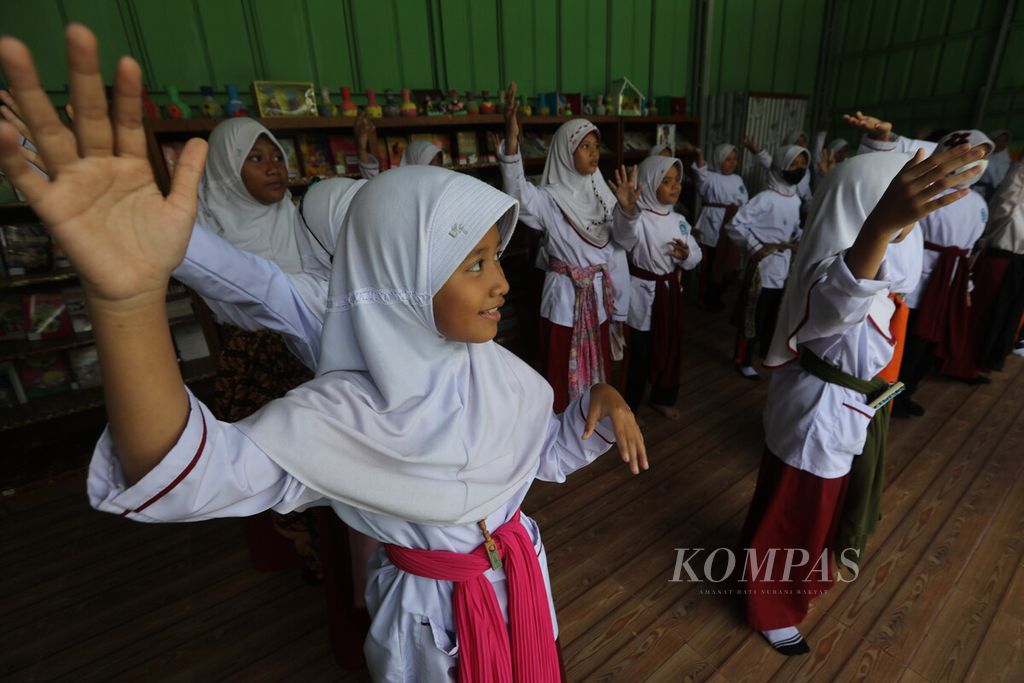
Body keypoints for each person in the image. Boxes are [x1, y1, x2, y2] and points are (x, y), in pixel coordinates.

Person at [0, 25, 648, 681]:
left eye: (494, 258)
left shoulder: (502, 376)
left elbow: (534, 458)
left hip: (524, 604)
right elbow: (184, 466)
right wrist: (128, 303)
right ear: (403, 278)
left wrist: (593, 406)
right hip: (435, 635)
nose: (503, 281)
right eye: (474, 263)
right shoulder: (340, 416)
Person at [739, 143, 986, 656]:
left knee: (809, 511)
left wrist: (890, 214)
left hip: (841, 411)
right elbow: (836, 302)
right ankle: (772, 605)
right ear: (862, 213)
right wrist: (878, 229)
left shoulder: (879, 268)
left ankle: (787, 578)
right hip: (818, 417)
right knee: (794, 515)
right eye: (897, 216)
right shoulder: (835, 272)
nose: (908, 230)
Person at [498, 82, 634, 411]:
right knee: (561, 368)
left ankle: (591, 418)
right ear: (565, 152)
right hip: (564, 302)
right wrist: (513, 141)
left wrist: (628, 211)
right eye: (584, 146)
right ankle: (561, 428)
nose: (593, 152)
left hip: (598, 300)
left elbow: (623, 242)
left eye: (595, 146)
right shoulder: (550, 200)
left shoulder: (604, 192)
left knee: (597, 366)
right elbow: (518, 193)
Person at [614, 156, 702, 419]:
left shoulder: (679, 220)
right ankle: (628, 407)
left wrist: (686, 255)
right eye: (666, 181)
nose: (676, 186)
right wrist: (628, 213)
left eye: (677, 180)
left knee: (670, 346)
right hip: (641, 294)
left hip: (669, 293)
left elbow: (696, 255)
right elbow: (622, 238)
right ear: (651, 184)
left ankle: (663, 396)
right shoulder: (638, 218)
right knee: (639, 355)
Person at [726, 145, 808, 380]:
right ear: (780, 166)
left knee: (773, 312)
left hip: (783, 266)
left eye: (802, 165)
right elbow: (735, 224)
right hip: (763, 266)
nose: (798, 169)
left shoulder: (794, 198)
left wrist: (799, 238)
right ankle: (743, 359)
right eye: (793, 164)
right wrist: (755, 247)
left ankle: (765, 351)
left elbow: (793, 229)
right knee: (752, 313)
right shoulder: (765, 198)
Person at [687, 142, 748, 311]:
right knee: (713, 261)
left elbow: (744, 200)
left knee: (730, 261)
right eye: (728, 159)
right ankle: (708, 297)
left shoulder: (738, 179)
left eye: (734, 159)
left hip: (732, 222)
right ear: (719, 160)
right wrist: (699, 154)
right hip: (713, 223)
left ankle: (717, 293)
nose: (732, 163)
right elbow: (700, 174)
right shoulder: (710, 178)